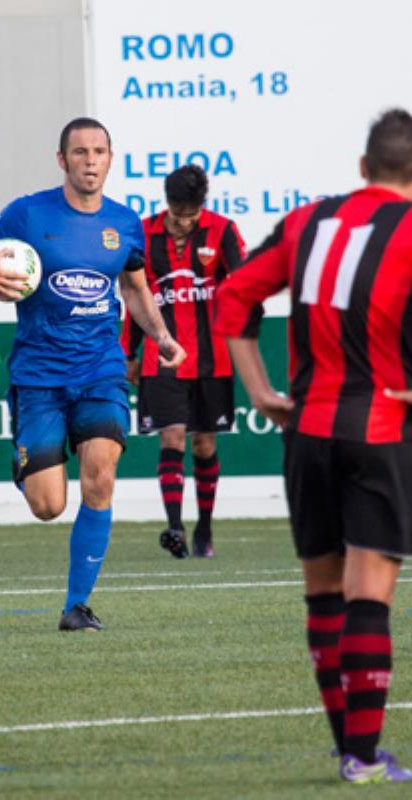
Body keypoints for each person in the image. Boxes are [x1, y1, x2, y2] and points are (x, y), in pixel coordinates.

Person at [214, 109, 412, 783]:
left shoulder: (307, 223)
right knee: (368, 594)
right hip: (387, 432)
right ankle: (361, 756)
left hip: (308, 433)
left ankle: (350, 755)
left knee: (324, 595)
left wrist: (261, 390)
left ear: (362, 168)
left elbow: (235, 298)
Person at [0, 117, 186, 632]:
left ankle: (77, 607)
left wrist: (162, 336)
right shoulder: (27, 212)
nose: (90, 160)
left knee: (100, 476)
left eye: (99, 151)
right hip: (39, 375)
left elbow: (134, 288)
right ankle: (27, 465)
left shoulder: (125, 224)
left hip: (100, 369)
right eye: (79, 152)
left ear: (110, 158)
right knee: (47, 505)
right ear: (61, 160)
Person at [120, 165, 245, 558]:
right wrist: (128, 354)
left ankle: (204, 529)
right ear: (167, 204)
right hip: (162, 360)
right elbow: (134, 297)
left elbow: (242, 284)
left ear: (201, 208)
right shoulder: (142, 232)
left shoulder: (223, 231)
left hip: (212, 359)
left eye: (190, 216)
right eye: (177, 215)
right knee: (171, 436)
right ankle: (175, 527)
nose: (183, 223)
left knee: (204, 443)